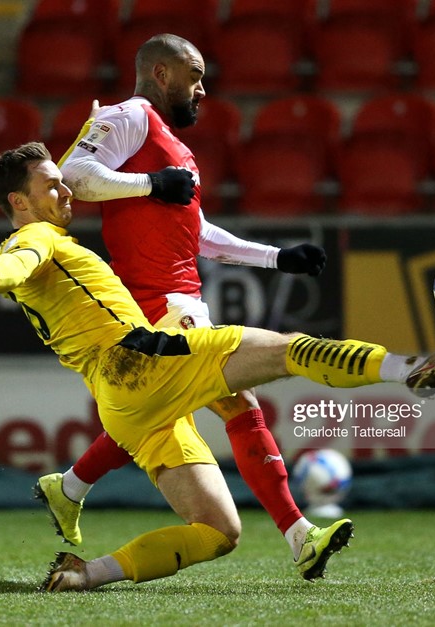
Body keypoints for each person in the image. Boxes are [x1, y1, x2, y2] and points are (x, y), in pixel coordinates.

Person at [0, 141, 435, 591]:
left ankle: (86, 573)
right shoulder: (36, 236)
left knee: (218, 530)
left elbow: (21, 263)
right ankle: (411, 369)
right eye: (50, 184)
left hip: (122, 405)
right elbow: (17, 258)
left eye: (62, 179)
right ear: (19, 201)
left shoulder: (48, 238)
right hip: (141, 361)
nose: (64, 189)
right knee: (289, 350)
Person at [38, 33, 334, 577]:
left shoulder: (171, 145)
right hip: (154, 302)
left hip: (177, 296)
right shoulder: (131, 116)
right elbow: (73, 175)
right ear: (161, 73)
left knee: (156, 411)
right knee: (238, 402)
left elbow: (194, 232)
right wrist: (150, 181)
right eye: (195, 76)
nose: (203, 88)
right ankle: (300, 536)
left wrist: (277, 258)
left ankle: (70, 485)